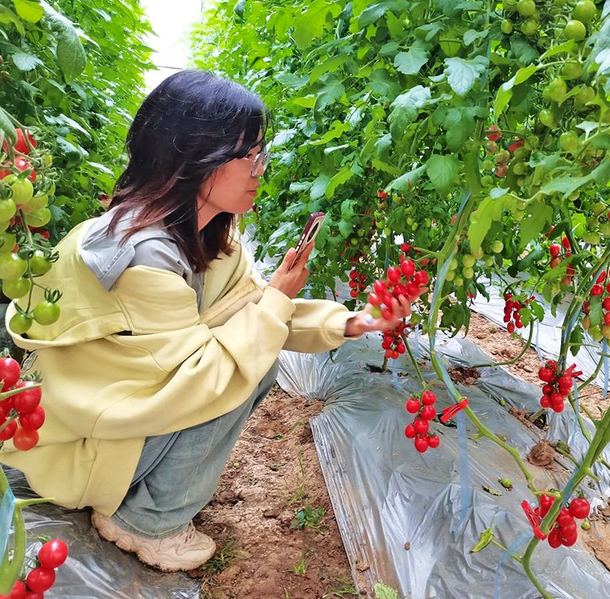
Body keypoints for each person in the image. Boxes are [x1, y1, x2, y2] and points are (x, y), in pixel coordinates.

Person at [0, 70, 415, 572]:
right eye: (252, 155)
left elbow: (252, 306)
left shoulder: (205, 237)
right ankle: (147, 522)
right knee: (247, 365)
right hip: (82, 443)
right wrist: (277, 303)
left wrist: (355, 322)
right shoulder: (141, 259)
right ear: (198, 156)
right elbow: (202, 380)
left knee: (250, 342)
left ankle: (151, 496)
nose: (262, 168)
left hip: (120, 414)